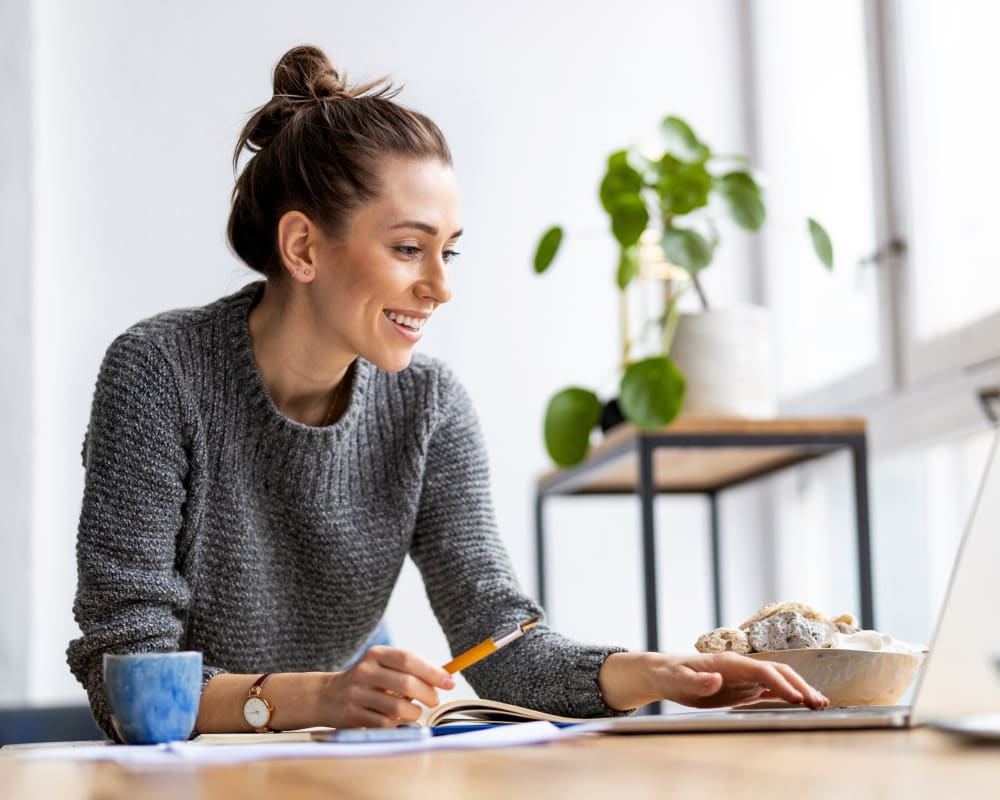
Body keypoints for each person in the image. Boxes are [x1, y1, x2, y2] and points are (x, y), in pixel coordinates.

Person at [67, 44, 828, 739]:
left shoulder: (428, 406)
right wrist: (323, 697)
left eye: (449, 253)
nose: (439, 287)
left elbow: (498, 642)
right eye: (408, 249)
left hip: (339, 760)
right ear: (303, 247)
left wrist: (653, 675)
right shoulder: (157, 373)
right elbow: (128, 681)